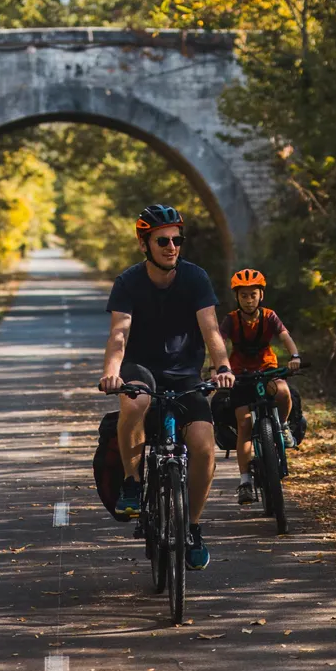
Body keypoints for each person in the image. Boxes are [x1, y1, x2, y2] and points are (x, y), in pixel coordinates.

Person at [98, 204, 235, 570]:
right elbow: (118, 334)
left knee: (204, 446)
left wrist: (221, 366)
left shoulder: (195, 278)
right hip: (142, 368)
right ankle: (131, 481)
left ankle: (192, 528)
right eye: (162, 241)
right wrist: (112, 371)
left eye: (177, 240)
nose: (172, 246)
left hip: (186, 373)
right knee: (134, 404)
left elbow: (211, 330)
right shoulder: (128, 282)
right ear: (145, 245)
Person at [221, 269, 302, 504]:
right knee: (244, 422)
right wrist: (220, 367)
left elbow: (284, 335)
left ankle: (284, 427)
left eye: (253, 295)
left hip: (267, 368)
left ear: (261, 295)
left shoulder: (269, 316)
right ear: (237, 297)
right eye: (244, 295)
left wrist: (294, 356)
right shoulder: (231, 319)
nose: (249, 300)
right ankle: (245, 481)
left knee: (284, 391)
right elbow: (220, 342)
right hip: (239, 374)